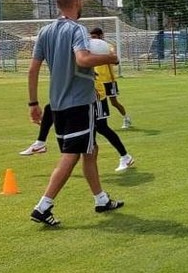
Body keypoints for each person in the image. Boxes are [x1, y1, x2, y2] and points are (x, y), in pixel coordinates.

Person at [26, 0, 124, 226]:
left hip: (58, 105)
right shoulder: (77, 29)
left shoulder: (45, 31)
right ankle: (43, 206)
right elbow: (82, 59)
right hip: (79, 102)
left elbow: (33, 69)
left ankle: (101, 199)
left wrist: (34, 103)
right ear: (77, 2)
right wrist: (110, 58)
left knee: (90, 150)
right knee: (71, 155)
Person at [19, 29, 139, 176]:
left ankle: (125, 156)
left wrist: (108, 60)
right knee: (51, 107)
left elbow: (113, 60)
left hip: (97, 93)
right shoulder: (84, 50)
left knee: (102, 127)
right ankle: (40, 143)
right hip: (84, 92)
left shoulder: (103, 49)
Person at [88, 27, 133, 128]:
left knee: (114, 102)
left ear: (101, 36)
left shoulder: (108, 46)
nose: (93, 39)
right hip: (97, 81)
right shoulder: (90, 48)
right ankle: (99, 123)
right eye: (92, 37)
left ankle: (126, 117)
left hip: (109, 80)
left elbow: (115, 59)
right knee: (96, 102)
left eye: (95, 37)